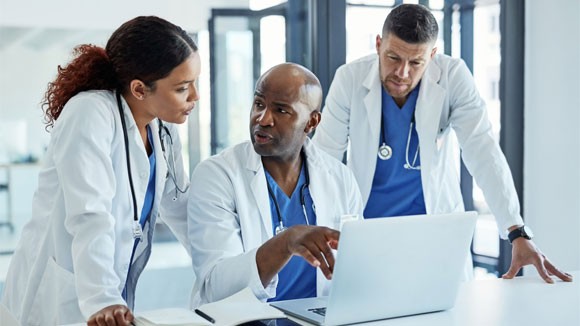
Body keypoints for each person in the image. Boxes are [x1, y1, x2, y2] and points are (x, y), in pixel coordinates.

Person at [313, 4, 572, 283]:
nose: (402, 73)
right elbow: (323, 159)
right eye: (393, 57)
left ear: (432, 55)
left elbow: (482, 151)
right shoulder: (350, 79)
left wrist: (516, 231)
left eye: (415, 63)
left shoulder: (452, 76)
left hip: (434, 236)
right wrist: (310, 229)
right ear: (378, 44)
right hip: (369, 235)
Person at [0, 16, 200, 325]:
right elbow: (89, 213)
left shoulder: (162, 128)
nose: (195, 98)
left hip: (109, 291)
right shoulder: (89, 113)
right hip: (63, 294)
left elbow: (179, 206)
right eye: (183, 88)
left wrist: (226, 262)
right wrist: (103, 298)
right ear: (139, 89)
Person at [187, 63, 363, 306]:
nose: (263, 118)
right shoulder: (217, 175)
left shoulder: (340, 179)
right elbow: (216, 286)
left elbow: (354, 269)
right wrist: (286, 242)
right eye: (259, 104)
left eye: (281, 110)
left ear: (312, 122)